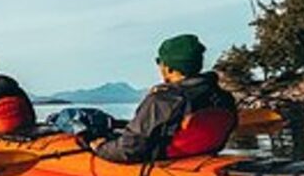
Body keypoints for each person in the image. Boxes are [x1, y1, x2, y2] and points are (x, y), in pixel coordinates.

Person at [85, 34, 237, 163]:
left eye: (160, 62)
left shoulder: (162, 100)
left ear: (169, 68)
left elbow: (130, 149)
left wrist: (101, 148)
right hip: (200, 155)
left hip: (166, 160)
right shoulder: (223, 96)